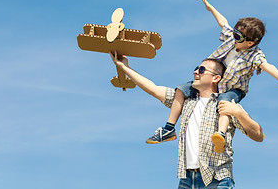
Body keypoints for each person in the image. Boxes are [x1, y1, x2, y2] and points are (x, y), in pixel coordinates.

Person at [146, 0, 278, 153]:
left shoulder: (254, 55)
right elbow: (222, 22)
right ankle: (168, 129)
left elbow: (267, 66)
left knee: (224, 102)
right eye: (235, 32)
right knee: (181, 89)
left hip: (233, 89)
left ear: (250, 43)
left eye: (239, 37)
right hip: (213, 81)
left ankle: (220, 134)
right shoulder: (230, 38)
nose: (234, 37)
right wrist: (210, 8)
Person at [109, 51, 264, 189]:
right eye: (196, 68)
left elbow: (258, 135)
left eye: (202, 70)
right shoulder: (185, 101)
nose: (196, 72)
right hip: (187, 180)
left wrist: (239, 113)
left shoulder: (226, 104)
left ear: (216, 78)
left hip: (218, 179)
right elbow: (154, 89)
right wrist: (124, 67)